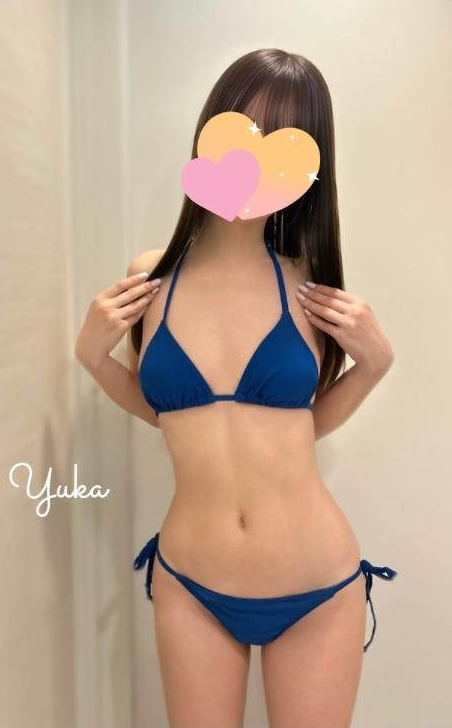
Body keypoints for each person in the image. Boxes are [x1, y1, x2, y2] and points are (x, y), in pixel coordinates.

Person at [74, 47, 398, 728]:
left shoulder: (307, 281)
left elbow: (302, 424)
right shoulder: (150, 277)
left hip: (316, 587)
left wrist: (373, 366)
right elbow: (171, 414)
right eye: (246, 130)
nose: (257, 158)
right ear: (210, 132)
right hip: (192, 582)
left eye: (284, 139)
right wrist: (93, 359)